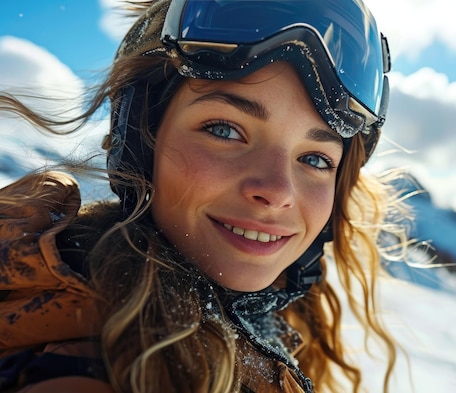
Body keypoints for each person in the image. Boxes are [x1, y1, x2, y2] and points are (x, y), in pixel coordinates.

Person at [0, 0, 410, 392]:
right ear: (142, 138)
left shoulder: (268, 335)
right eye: (224, 130)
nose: (277, 192)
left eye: (316, 159)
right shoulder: (85, 362)